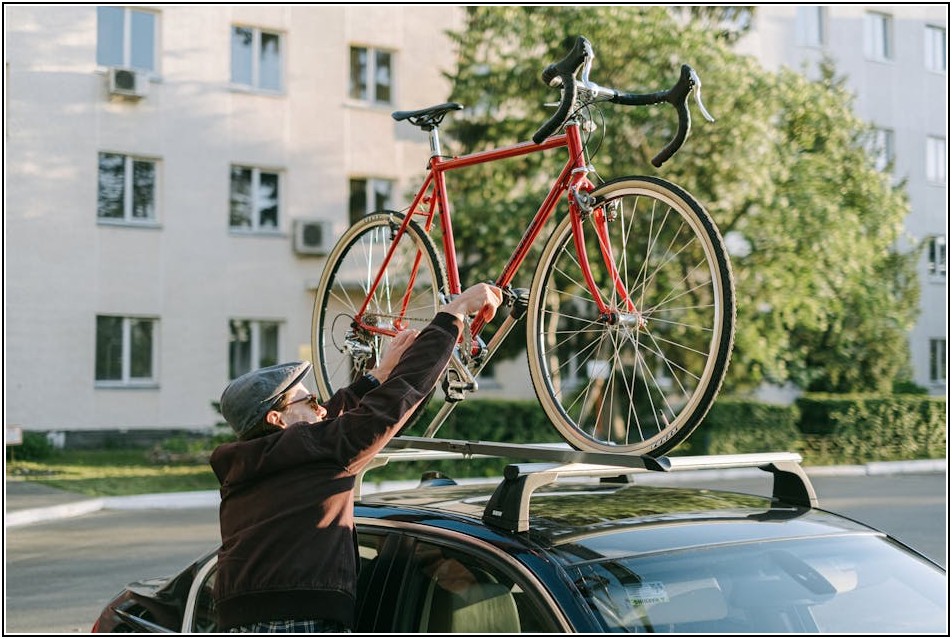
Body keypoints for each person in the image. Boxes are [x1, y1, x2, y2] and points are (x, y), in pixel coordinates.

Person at [210, 283, 503, 633]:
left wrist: (377, 376)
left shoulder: (254, 463)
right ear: (277, 419)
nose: (322, 406)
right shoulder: (310, 450)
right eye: (310, 401)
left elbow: (330, 423)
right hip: (293, 623)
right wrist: (453, 313)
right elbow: (394, 401)